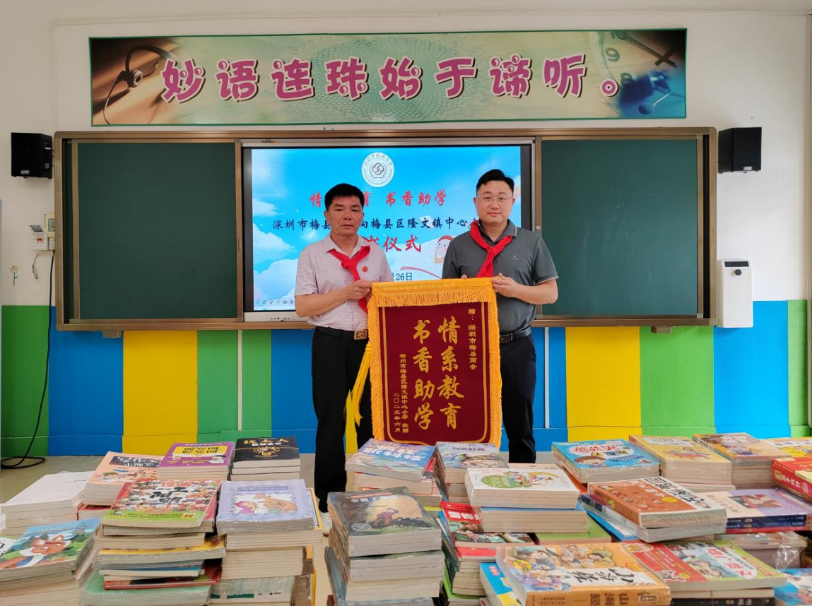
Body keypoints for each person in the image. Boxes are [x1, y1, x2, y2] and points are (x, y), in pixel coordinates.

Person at [442, 169, 558, 463]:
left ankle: (524, 480)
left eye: (502, 197)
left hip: (516, 345)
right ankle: (471, 481)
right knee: (472, 420)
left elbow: (550, 293)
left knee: (520, 422)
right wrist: (461, 293)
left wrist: (516, 290)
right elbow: (443, 301)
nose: (494, 204)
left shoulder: (531, 242)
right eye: (487, 197)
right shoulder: (458, 245)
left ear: (512, 202)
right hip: (471, 347)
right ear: (476, 202)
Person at [295, 183, 393, 519]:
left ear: (363, 214)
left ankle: (371, 493)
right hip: (330, 344)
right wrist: (346, 293)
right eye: (339, 209)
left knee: (371, 421)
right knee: (330, 422)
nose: (347, 215)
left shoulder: (376, 253)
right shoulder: (311, 255)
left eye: (354, 209)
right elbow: (303, 306)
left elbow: (390, 300)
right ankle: (328, 498)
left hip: (369, 345)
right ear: (327, 214)